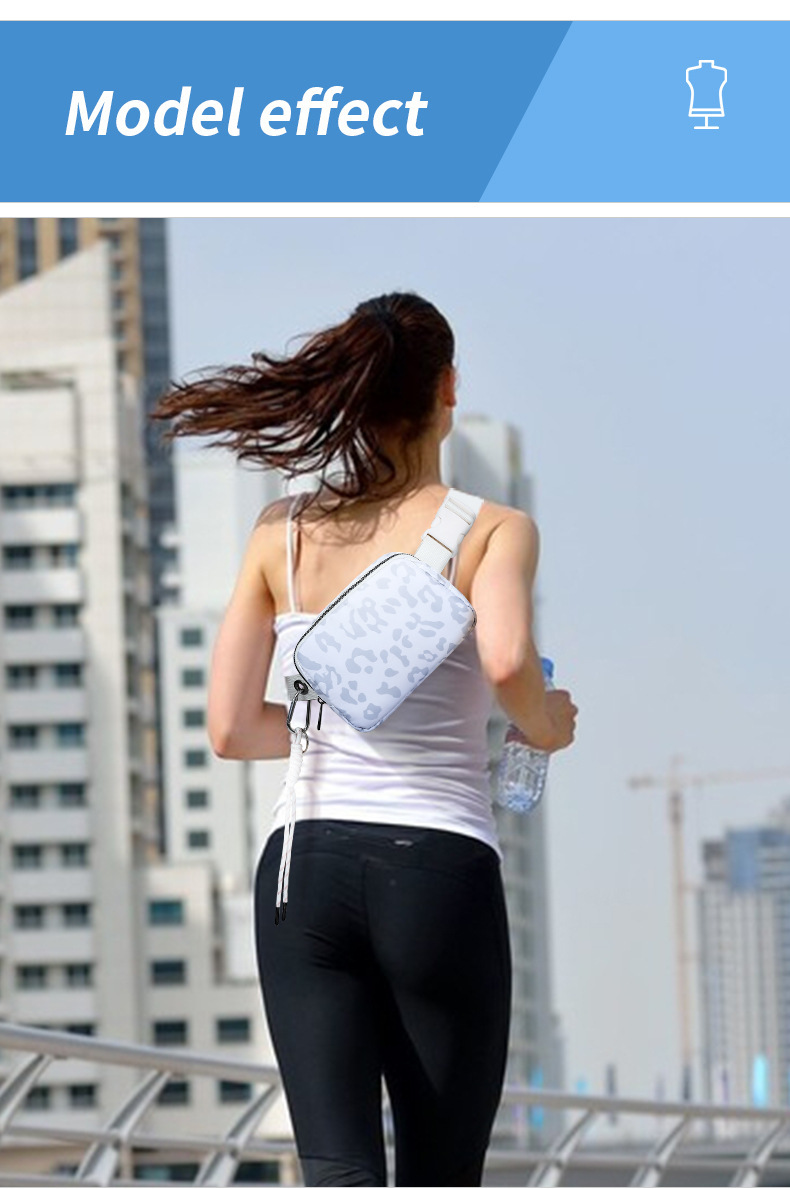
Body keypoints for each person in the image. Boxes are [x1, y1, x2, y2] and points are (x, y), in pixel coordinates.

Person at [151, 291, 578, 1187]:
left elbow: (230, 728)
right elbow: (508, 661)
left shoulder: (283, 532)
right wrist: (546, 723)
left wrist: (326, 725)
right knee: (439, 1170)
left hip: (301, 871)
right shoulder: (493, 531)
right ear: (447, 388)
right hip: (435, 862)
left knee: (338, 1168)